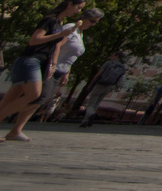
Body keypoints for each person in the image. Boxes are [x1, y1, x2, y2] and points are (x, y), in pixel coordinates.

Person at [0, 0, 86, 141]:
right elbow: (34, 40)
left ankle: (2, 128)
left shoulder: (59, 22)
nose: (78, 11)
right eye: (78, 7)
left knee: (9, 99)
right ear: (69, 4)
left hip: (39, 61)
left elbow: (52, 46)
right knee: (34, 95)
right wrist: (60, 35)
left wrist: (52, 62)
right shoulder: (50, 20)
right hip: (31, 59)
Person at [10, 7, 102, 138]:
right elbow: (57, 45)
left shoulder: (80, 33)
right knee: (39, 98)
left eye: (96, 22)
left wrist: (67, 72)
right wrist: (53, 64)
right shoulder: (71, 28)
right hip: (52, 68)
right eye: (92, 21)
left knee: (40, 100)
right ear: (84, 17)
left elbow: (70, 55)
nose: (93, 25)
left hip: (61, 70)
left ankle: (16, 129)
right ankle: (3, 115)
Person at [78, 49, 129, 128]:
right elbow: (121, 79)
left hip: (100, 84)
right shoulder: (122, 67)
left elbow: (98, 74)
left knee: (91, 103)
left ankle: (91, 114)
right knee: (97, 103)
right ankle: (85, 121)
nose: (111, 56)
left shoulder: (108, 63)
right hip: (109, 86)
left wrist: (91, 84)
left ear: (116, 56)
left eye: (112, 55)